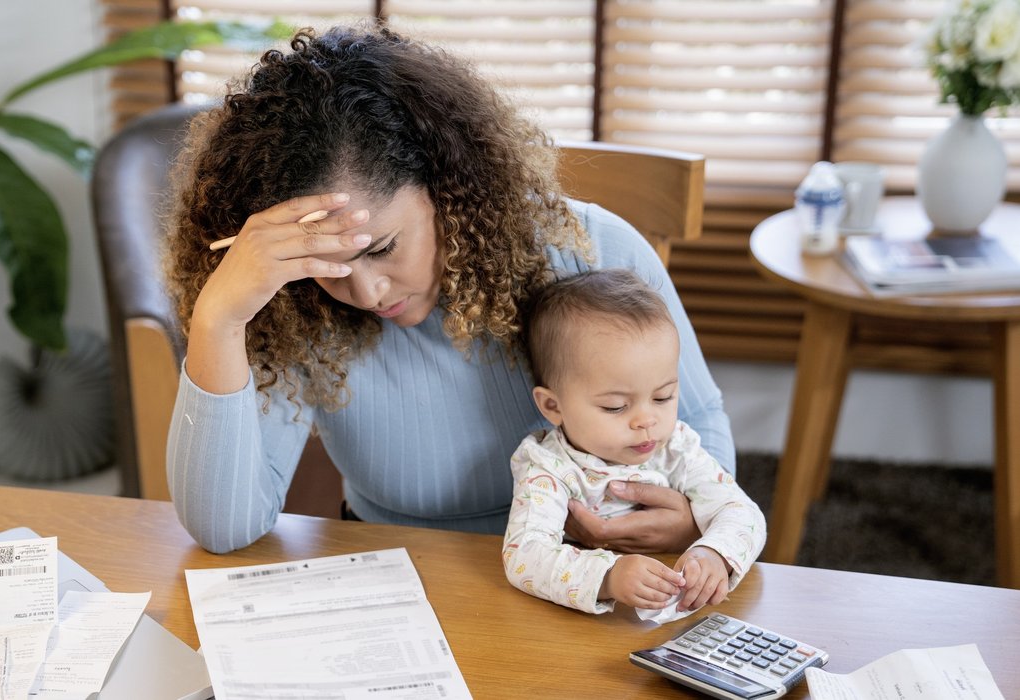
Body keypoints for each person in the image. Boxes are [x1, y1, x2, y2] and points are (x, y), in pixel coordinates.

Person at [163, 23, 736, 554]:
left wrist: (695, 517)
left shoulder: (595, 250)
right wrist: (220, 318)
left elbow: (699, 427)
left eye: (382, 248)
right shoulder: (290, 302)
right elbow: (224, 529)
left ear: (447, 188)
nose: (364, 292)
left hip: (586, 571)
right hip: (400, 570)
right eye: (323, 263)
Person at [503, 269, 765, 616]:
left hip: (677, 609)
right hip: (578, 618)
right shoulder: (548, 466)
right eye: (616, 406)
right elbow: (524, 554)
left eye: (663, 397)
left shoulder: (675, 448)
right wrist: (608, 577)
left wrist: (713, 552)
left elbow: (743, 513)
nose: (647, 421)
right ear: (553, 406)